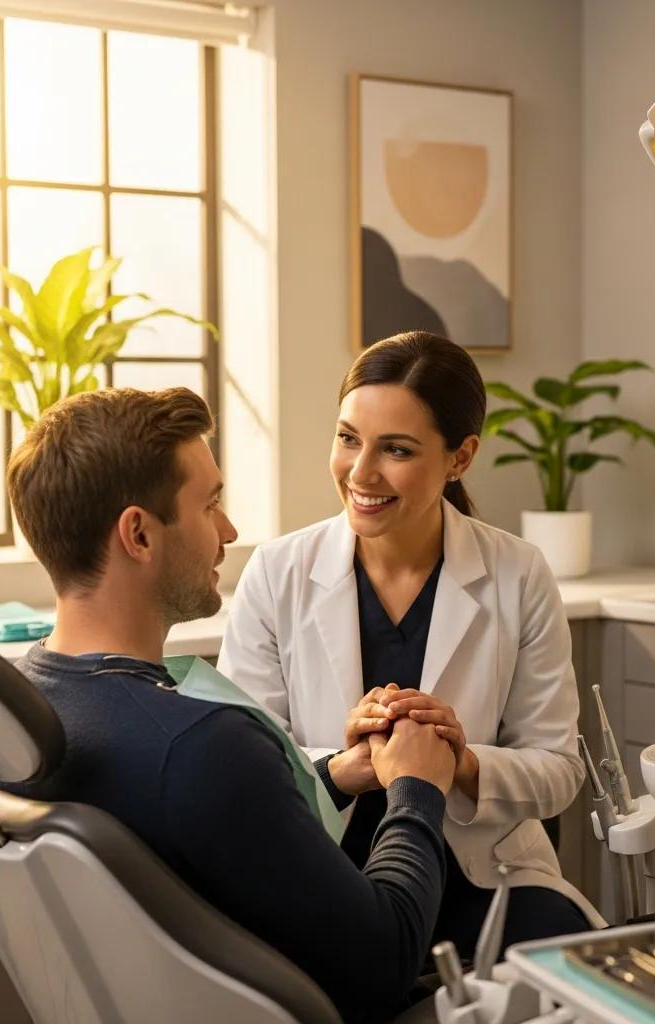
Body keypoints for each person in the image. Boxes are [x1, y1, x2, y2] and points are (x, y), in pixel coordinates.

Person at [1, 386, 457, 1024]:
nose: (229, 530)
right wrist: (416, 789)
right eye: (210, 503)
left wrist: (333, 776)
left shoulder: (29, 706)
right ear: (138, 533)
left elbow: (202, 830)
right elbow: (387, 959)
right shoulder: (203, 744)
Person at [219, 331, 603, 958]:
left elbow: (558, 772)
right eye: (348, 438)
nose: (361, 473)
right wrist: (350, 767)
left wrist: (459, 762)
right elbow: (248, 772)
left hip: (484, 876)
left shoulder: (519, 573)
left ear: (461, 457)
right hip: (328, 873)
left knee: (575, 983)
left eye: (395, 449)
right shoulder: (276, 571)